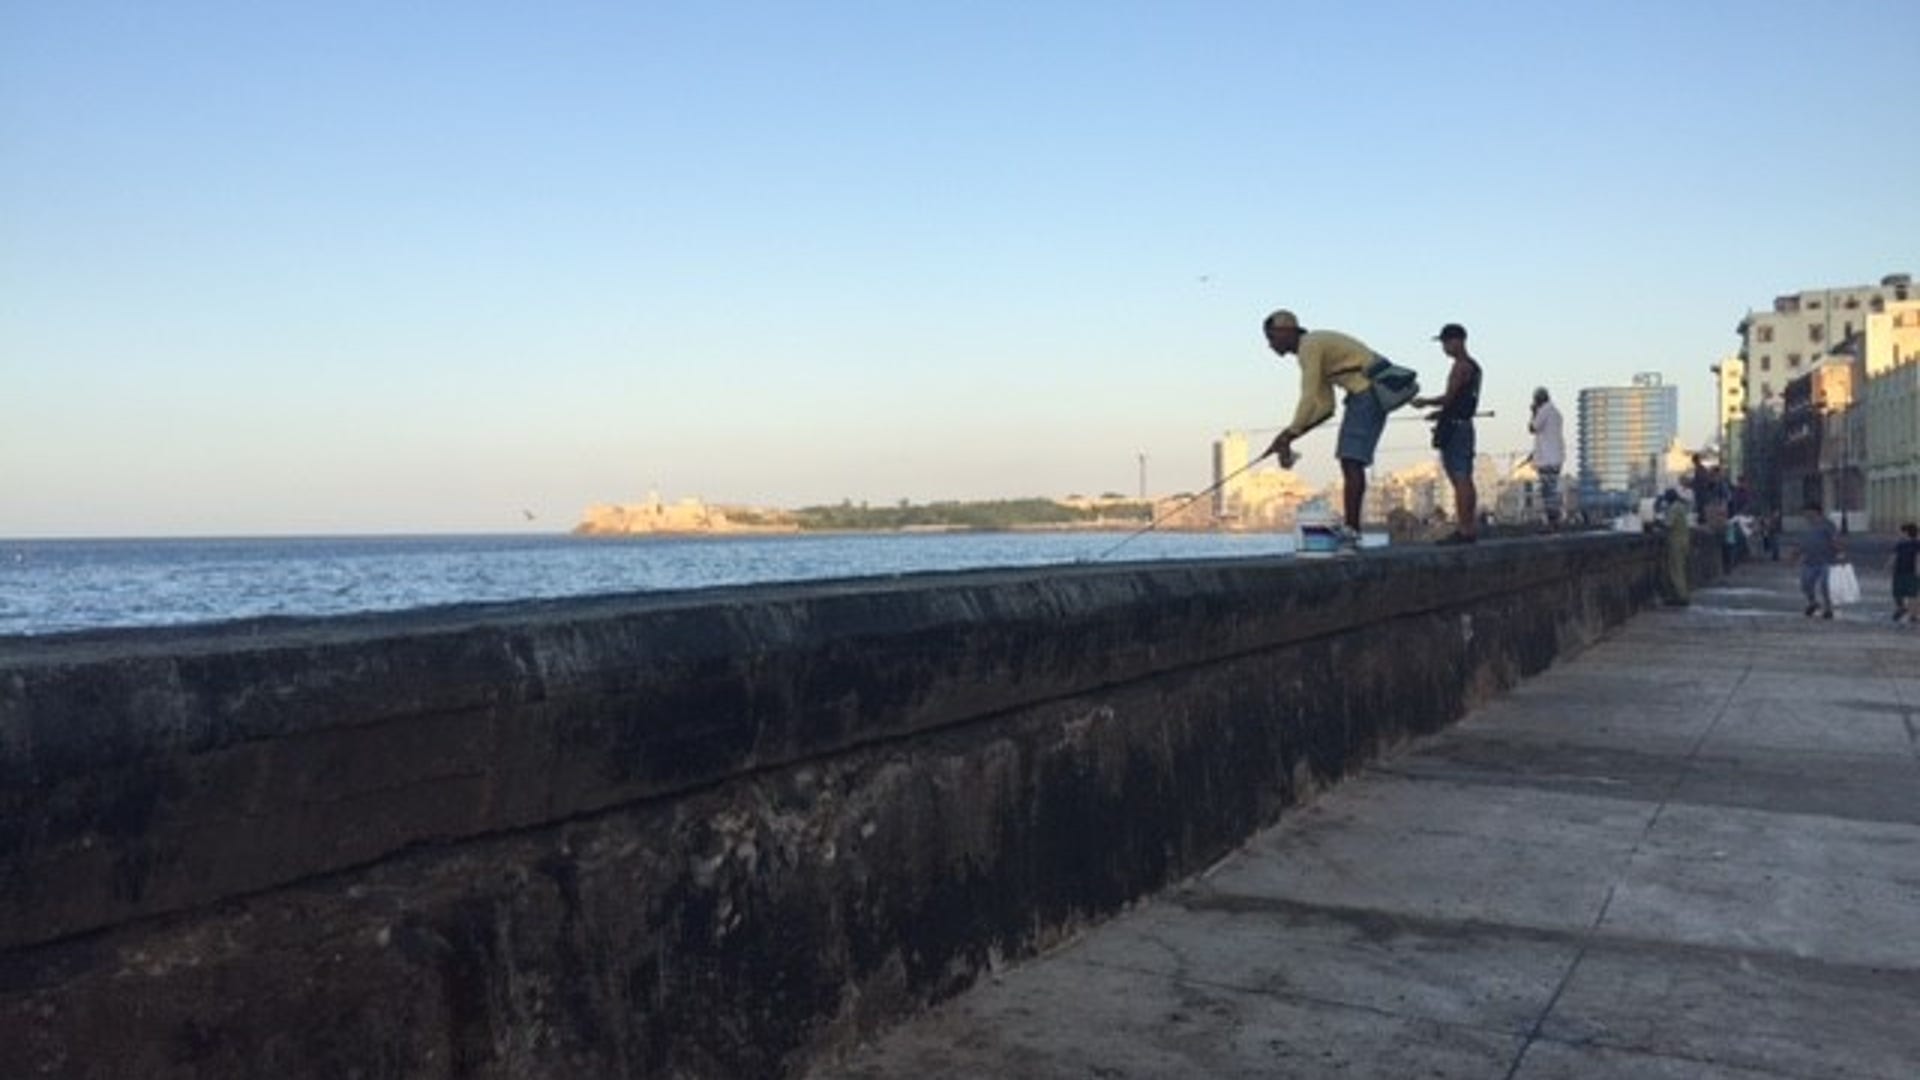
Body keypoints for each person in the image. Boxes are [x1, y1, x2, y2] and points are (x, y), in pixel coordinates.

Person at [1260, 309, 1394, 550]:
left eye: (1271, 337)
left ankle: (1352, 533)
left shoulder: (1309, 346)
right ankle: (1352, 532)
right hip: (1364, 396)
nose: (1270, 345)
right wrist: (1292, 435)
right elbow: (1326, 408)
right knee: (1350, 461)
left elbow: (1309, 397)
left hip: (1366, 394)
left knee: (1350, 461)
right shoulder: (1315, 347)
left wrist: (1289, 433)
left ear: (1286, 331)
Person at [1413, 323, 1482, 544]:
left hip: (1455, 429)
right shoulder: (1475, 367)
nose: (1444, 347)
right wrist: (1439, 414)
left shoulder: (1460, 367)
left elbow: (1449, 397)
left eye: (1445, 341)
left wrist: (1425, 403)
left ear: (1458, 341)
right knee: (1466, 477)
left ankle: (1464, 529)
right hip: (1465, 425)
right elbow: (1458, 401)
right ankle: (1469, 528)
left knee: (1459, 478)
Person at [1791, 502, 1842, 619]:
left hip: (1826, 560)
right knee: (1805, 584)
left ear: (1815, 512)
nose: (1805, 514)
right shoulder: (1806, 526)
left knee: (1825, 585)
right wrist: (1795, 554)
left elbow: (1834, 539)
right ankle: (1813, 603)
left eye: (1807, 511)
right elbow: (1802, 543)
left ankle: (1828, 608)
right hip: (1809, 561)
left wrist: (1840, 553)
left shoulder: (1827, 525)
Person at [1526, 387, 1565, 530]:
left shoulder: (1543, 411)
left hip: (1547, 459)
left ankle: (1552, 522)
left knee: (1548, 492)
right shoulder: (1556, 412)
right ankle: (1555, 521)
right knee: (1552, 490)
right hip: (1556, 457)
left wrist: (1533, 412)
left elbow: (1532, 428)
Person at [1888, 522, 1919, 624]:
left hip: (1908, 572)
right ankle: (1905, 609)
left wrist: (1888, 566)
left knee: (1909, 594)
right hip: (1903, 572)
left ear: (1906, 533)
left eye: (1900, 532)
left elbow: (1918, 558)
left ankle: (1912, 614)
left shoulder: (1914, 544)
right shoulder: (1900, 544)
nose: (1899, 534)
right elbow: (1893, 557)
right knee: (1904, 593)